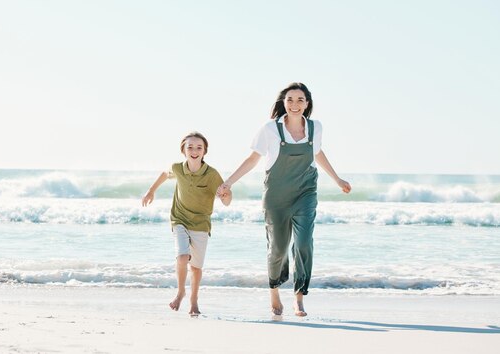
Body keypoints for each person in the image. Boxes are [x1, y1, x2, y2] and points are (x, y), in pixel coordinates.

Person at [217, 82, 350, 317]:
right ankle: (274, 291)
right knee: (278, 248)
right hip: (276, 196)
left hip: (305, 194)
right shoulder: (270, 129)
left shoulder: (315, 127)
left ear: (307, 104)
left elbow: (317, 153)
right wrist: (229, 182)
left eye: (300, 100)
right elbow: (252, 159)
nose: (295, 104)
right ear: (283, 102)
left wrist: (337, 180)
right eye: (290, 100)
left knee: (303, 244)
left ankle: (299, 298)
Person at [142, 131, 232, 315]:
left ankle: (194, 299)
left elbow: (227, 201)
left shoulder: (212, 174)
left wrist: (225, 195)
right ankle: (181, 291)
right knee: (182, 257)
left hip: (201, 224)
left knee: (196, 268)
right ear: (183, 149)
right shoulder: (178, 168)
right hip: (179, 219)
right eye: (190, 146)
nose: (194, 150)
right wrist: (151, 191)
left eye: (199, 147)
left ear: (204, 151)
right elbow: (164, 174)